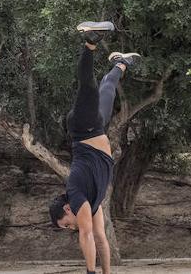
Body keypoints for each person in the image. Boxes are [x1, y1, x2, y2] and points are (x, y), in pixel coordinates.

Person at [48, 20, 140, 274]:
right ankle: (121, 63)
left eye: (65, 224)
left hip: (82, 128)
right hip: (96, 128)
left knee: (87, 86)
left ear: (67, 209)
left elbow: (86, 234)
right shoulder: (93, 201)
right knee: (107, 89)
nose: (70, 227)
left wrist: (90, 272)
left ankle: (90, 40)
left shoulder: (77, 196)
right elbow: (100, 238)